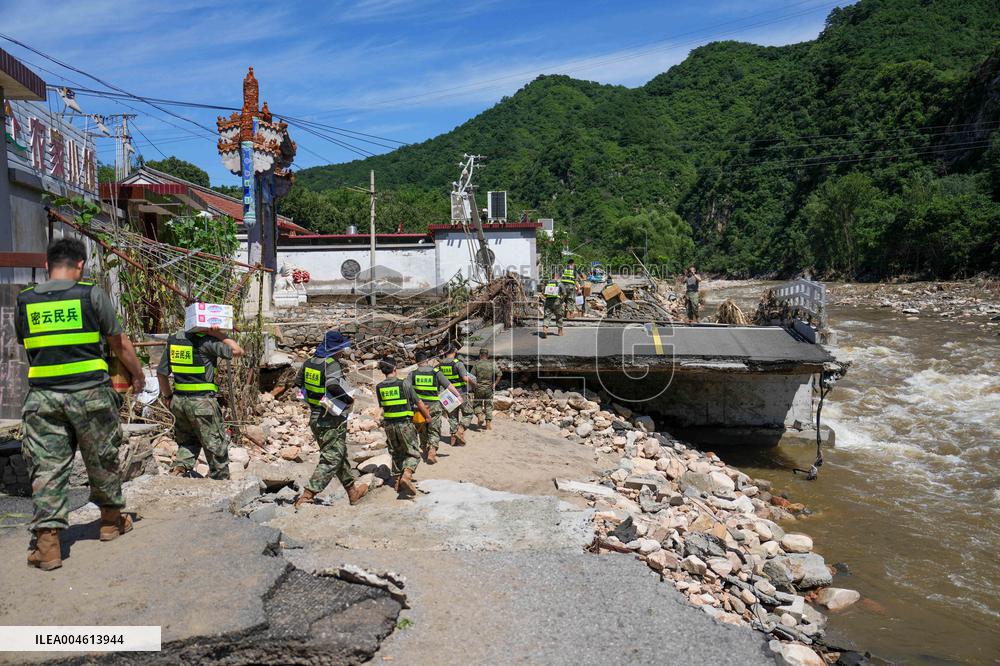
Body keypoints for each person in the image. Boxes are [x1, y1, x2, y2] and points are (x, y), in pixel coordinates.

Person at [16, 238, 144, 571]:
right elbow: (118, 342)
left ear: (47, 266)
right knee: (102, 457)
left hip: (43, 398)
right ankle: (109, 523)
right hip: (90, 394)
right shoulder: (90, 294)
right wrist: (137, 374)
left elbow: (28, 345)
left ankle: (48, 547)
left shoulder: (25, 300)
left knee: (47, 469)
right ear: (80, 265)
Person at [157, 320, 244, 480]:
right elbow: (237, 351)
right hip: (202, 403)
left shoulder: (174, 340)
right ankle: (221, 483)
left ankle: (178, 473)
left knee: (188, 441)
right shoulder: (205, 341)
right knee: (215, 445)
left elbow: (161, 373)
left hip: (179, 401)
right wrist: (217, 333)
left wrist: (168, 396)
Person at [294, 331, 369, 508]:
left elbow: (298, 384)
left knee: (338, 453)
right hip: (330, 418)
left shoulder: (309, 362)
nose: (342, 351)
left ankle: (353, 492)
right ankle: (308, 494)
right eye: (341, 348)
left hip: (315, 416)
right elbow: (333, 385)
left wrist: (312, 399)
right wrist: (349, 400)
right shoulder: (331, 364)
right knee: (332, 457)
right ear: (335, 348)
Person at [376, 356, 431, 497]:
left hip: (389, 425)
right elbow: (418, 403)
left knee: (396, 452)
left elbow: (383, 406)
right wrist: (427, 416)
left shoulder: (379, 387)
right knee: (413, 453)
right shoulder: (404, 384)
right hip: (404, 424)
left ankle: (396, 481)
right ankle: (407, 475)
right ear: (395, 369)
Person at [406, 350, 458, 464]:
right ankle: (432, 450)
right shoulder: (436, 372)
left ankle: (424, 450)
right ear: (427, 360)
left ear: (417, 362)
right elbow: (449, 386)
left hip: (419, 407)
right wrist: (458, 396)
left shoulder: (412, 374)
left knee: (422, 430)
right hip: (434, 405)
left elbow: (406, 391)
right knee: (434, 429)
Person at [437, 345, 475, 446]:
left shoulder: (441, 364)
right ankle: (460, 431)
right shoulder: (458, 364)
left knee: (452, 416)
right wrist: (473, 384)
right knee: (468, 413)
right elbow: (465, 378)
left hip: (447, 394)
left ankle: (453, 440)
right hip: (461, 393)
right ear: (454, 351)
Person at [471, 348, 501, 430]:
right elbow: (499, 374)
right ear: (487, 355)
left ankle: (480, 416)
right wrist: (494, 384)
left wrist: (474, 386)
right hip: (489, 388)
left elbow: (471, 377)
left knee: (477, 404)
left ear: (480, 355)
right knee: (488, 405)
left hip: (479, 388)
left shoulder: (476, 364)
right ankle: (488, 424)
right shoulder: (492, 365)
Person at [541, 267, 567, 338]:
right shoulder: (560, 284)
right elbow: (564, 293)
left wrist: (546, 298)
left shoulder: (547, 283)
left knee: (547, 316)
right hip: (557, 301)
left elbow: (544, 293)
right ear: (558, 276)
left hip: (548, 301)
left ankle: (545, 330)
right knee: (559, 316)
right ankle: (560, 332)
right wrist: (562, 300)